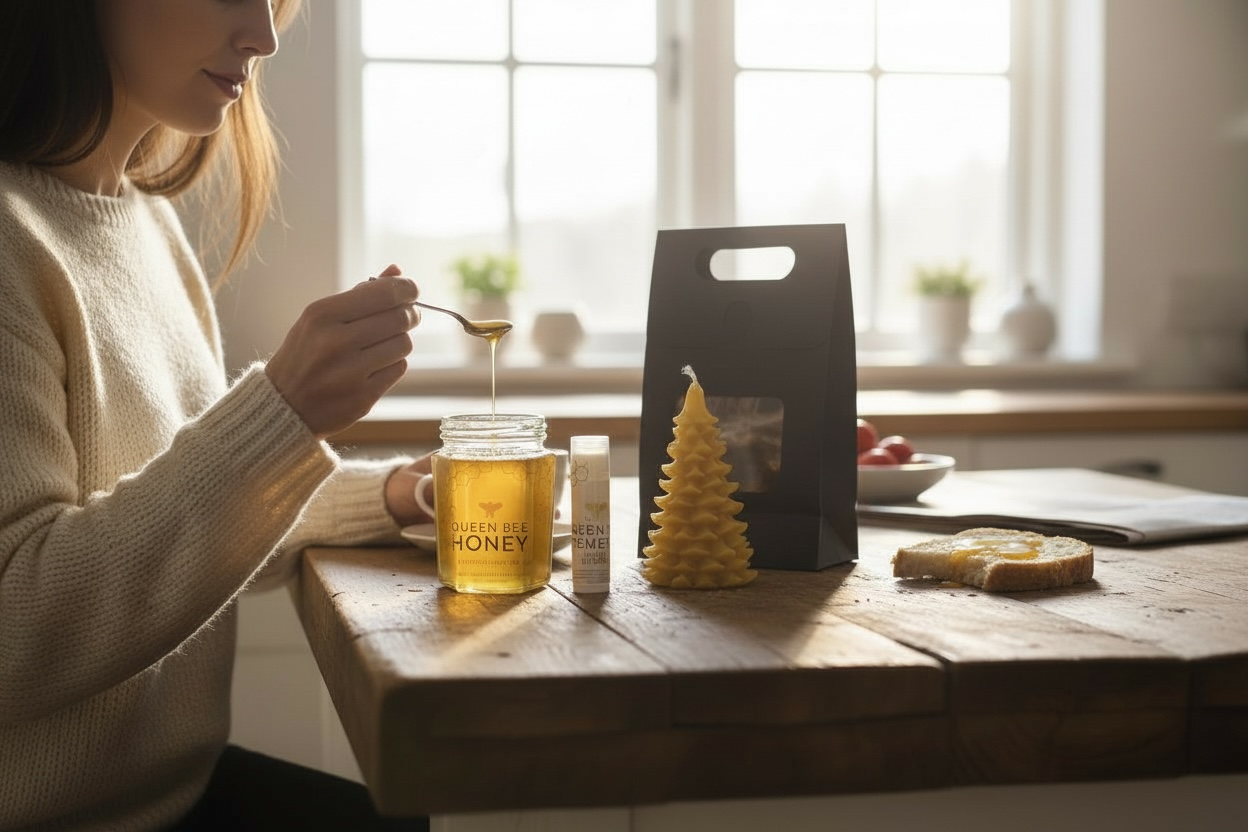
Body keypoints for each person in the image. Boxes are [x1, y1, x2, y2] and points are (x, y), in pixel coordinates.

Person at [0, 0, 433, 828]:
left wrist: (390, 497)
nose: (263, 37)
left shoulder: (151, 229)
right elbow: (16, 634)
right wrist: (283, 410)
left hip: (175, 795)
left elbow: (189, 534)